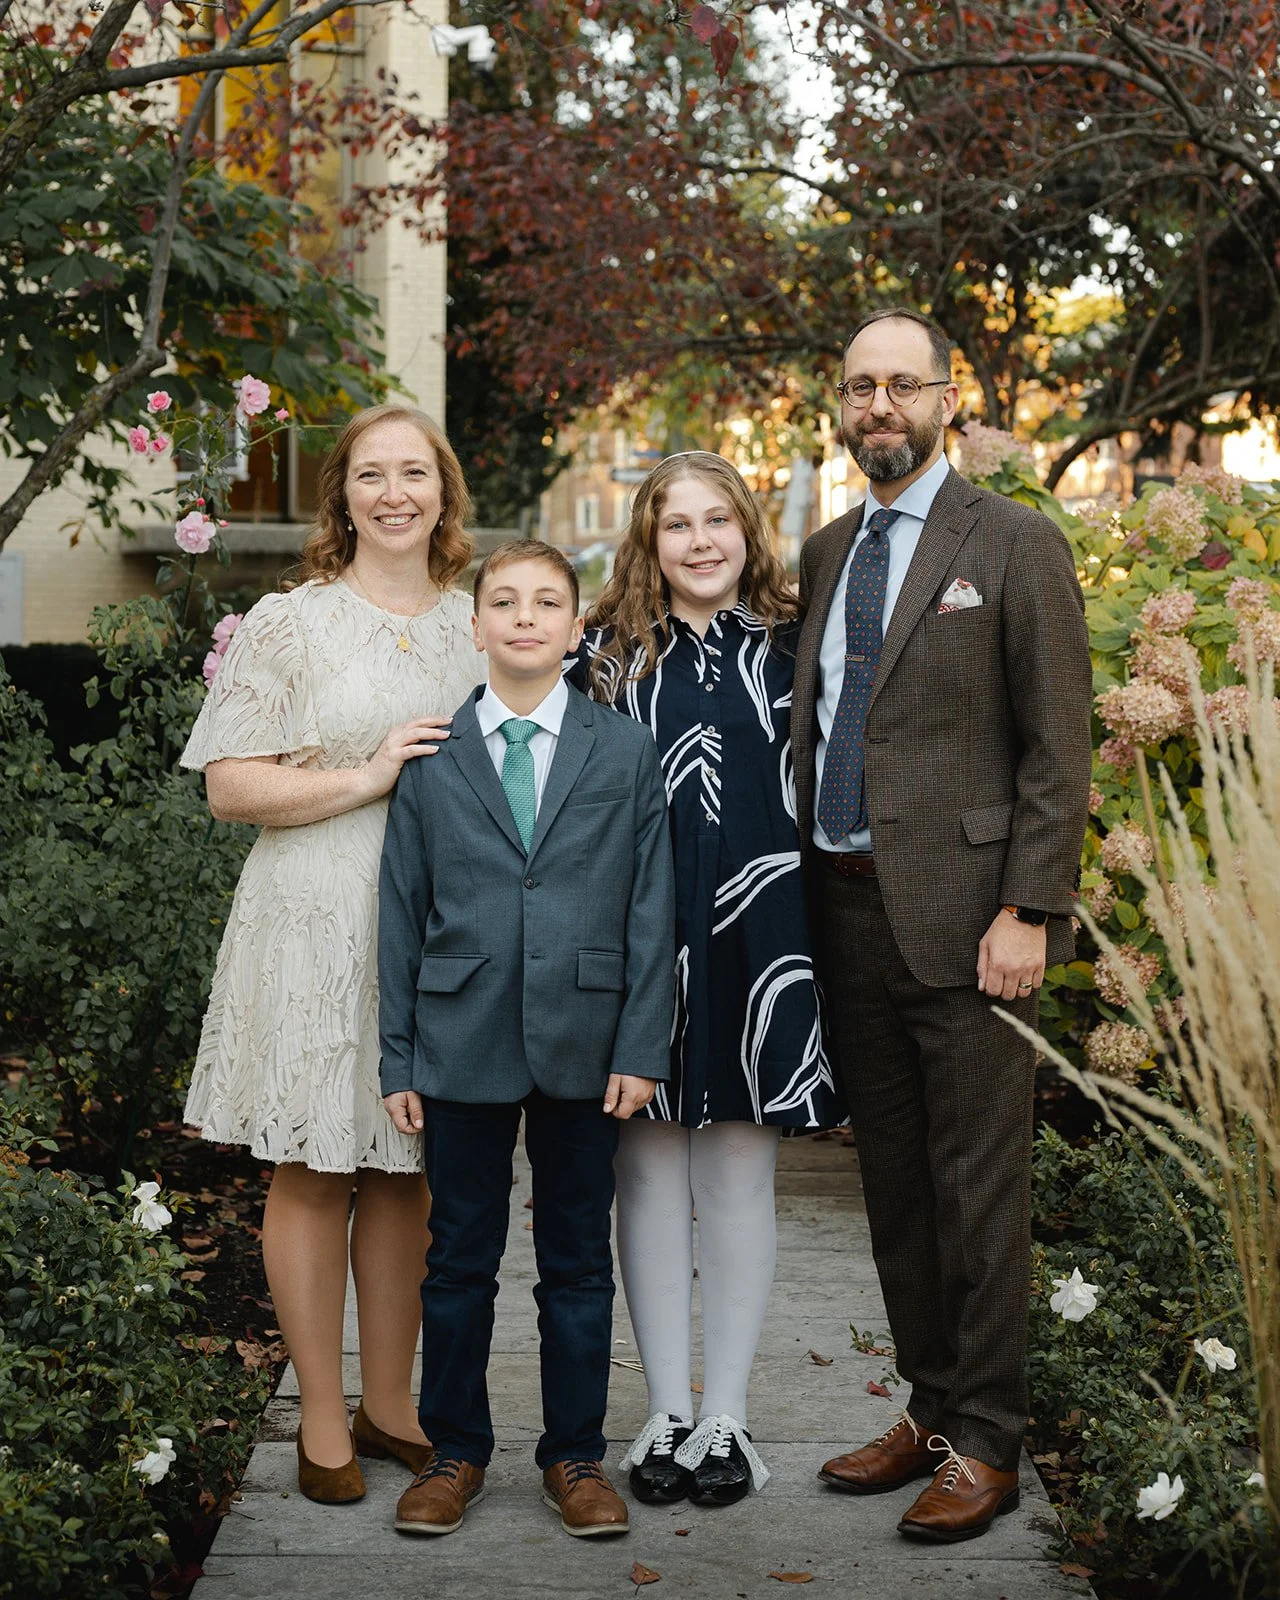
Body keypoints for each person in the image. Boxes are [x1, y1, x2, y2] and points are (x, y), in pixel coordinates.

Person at [791, 309, 1092, 1542]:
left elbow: (1054, 748)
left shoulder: (1013, 542)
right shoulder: (821, 552)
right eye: (858, 386)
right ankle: (926, 1411)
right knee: (898, 1189)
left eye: (899, 385)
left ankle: (987, 1439)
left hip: (974, 926)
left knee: (978, 1191)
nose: (878, 407)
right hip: (846, 910)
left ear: (944, 400)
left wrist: (1028, 906)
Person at [180, 404, 486, 1503]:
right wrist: (366, 775)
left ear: (444, 493)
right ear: (342, 496)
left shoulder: (477, 624)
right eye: (371, 475)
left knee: (406, 1165)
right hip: (314, 914)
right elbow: (228, 786)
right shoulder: (289, 622)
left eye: (415, 473)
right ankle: (319, 1414)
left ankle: (391, 1403)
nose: (394, 492)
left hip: (442, 929)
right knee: (313, 1164)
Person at [378, 539, 675, 1540]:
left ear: (575, 626)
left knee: (576, 1260)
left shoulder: (621, 750)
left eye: (546, 601)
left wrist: (640, 1044)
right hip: (459, 1036)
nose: (522, 617)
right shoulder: (429, 753)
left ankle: (575, 1455)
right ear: (473, 627)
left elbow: (649, 909)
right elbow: (400, 908)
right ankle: (454, 1450)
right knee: (458, 1257)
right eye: (501, 600)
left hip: (585, 1037)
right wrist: (397, 1053)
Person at [571, 452, 842, 1509]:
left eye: (715, 519)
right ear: (646, 538)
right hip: (637, 939)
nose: (697, 541)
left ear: (746, 529)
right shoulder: (601, 657)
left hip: (762, 937)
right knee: (643, 1174)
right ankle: (664, 1412)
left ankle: (723, 1413)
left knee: (735, 1169)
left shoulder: (793, 641)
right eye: (674, 523)